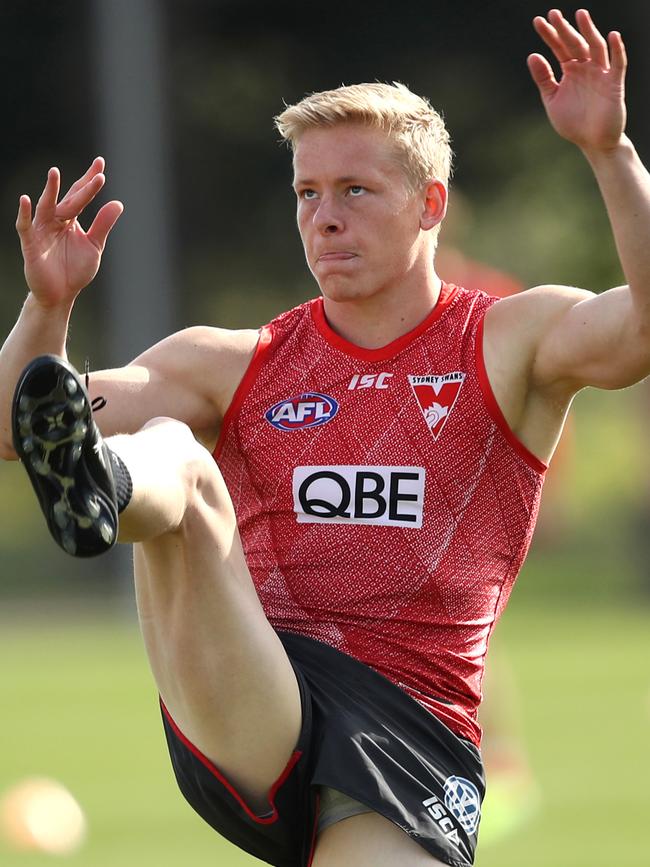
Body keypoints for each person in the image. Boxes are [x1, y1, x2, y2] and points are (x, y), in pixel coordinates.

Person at [1, 9, 648, 867]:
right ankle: (103, 485)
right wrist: (48, 308)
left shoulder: (508, 339)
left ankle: (110, 479)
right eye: (308, 193)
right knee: (180, 460)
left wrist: (610, 152)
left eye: (355, 191)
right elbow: (18, 425)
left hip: (409, 734)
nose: (325, 217)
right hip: (255, 693)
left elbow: (640, 331)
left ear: (431, 203)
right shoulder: (234, 362)